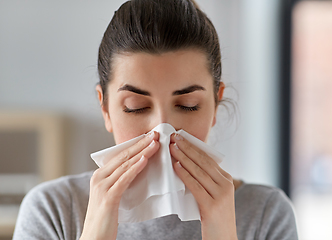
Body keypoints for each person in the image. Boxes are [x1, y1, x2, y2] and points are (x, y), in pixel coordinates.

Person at [13, 0, 298, 239]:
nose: (163, 130)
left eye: (188, 106)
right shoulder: (53, 211)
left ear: (215, 103)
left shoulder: (265, 213)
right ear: (105, 108)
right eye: (136, 107)